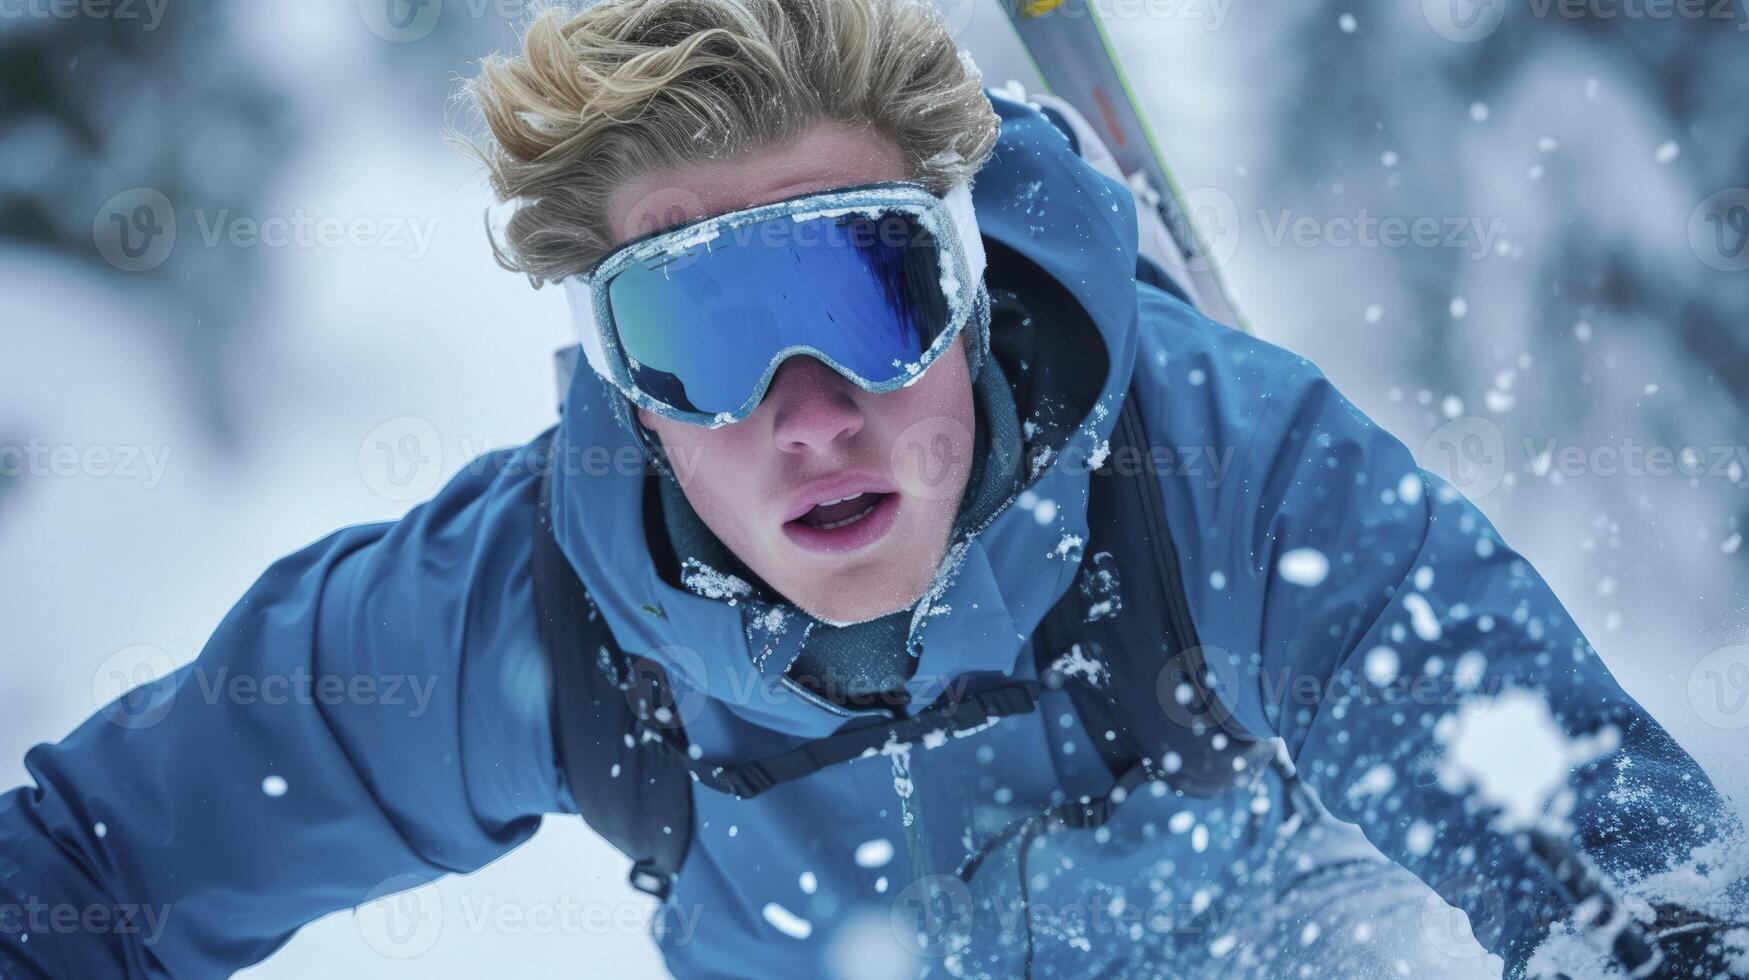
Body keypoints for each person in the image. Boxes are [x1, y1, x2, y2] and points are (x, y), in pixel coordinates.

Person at [3, 0, 1745, 977]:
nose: (807, 414)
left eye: (862, 288)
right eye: (694, 326)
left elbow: (1625, 880)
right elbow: (92, 866)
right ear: (615, 380)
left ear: (969, 278)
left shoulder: (1218, 471)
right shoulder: (536, 603)